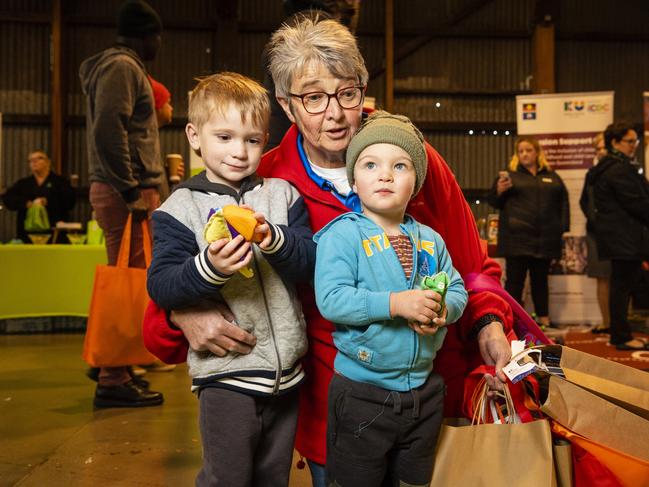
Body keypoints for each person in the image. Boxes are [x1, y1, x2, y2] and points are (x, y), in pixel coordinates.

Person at [143, 14, 514, 486]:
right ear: (286, 104)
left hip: (429, 399)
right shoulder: (267, 184)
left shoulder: (410, 158)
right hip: (339, 411)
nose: (335, 114)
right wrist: (182, 315)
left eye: (346, 93)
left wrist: (488, 321)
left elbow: (470, 263)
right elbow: (161, 305)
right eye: (313, 98)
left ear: (362, 89)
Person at [147, 72, 315, 486]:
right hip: (226, 376)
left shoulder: (283, 196)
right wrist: (209, 269)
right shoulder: (178, 208)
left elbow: (309, 263)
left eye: (252, 140)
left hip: (287, 375)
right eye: (224, 137)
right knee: (228, 478)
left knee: (273, 478)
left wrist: (273, 239)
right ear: (194, 135)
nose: (239, 152)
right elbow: (162, 283)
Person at [314, 111, 467, 486]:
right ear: (353, 179)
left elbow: (459, 289)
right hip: (362, 392)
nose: (385, 175)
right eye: (370, 164)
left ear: (415, 183)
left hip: (425, 393)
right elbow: (332, 299)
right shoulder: (342, 236)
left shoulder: (431, 240)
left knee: (415, 480)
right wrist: (396, 304)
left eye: (400, 166)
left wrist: (443, 310)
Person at [79, 0, 165, 408]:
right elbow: (108, 130)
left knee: (131, 281)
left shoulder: (116, 67)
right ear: (143, 36)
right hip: (123, 193)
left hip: (122, 191)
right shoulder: (123, 67)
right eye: (156, 37)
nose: (159, 44)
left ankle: (120, 368)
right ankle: (112, 377)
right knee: (127, 283)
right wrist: (132, 191)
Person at [487, 136, 569, 330]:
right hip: (517, 241)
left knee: (540, 282)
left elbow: (563, 204)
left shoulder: (553, 177)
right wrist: (498, 190)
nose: (524, 154)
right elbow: (493, 202)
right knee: (515, 283)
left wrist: (562, 229)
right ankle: (511, 320)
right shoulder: (509, 176)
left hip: (545, 241)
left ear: (537, 153)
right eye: (521, 151)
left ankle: (544, 320)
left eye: (528, 150)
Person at [589, 122, 649, 351]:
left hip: (624, 237)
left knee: (622, 286)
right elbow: (638, 203)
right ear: (615, 143)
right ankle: (621, 337)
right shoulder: (617, 169)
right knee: (621, 287)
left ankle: (621, 334)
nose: (634, 145)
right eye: (630, 141)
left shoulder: (616, 166)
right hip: (624, 238)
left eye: (636, 141)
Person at [3, 150, 75, 243]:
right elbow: (8, 199)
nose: (34, 162)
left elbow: (70, 202)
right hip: (27, 235)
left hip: (55, 234)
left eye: (39, 158)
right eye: (31, 160)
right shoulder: (23, 183)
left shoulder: (61, 182)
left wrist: (47, 201)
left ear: (48, 162)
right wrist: (26, 203)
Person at [579, 132, 611, 333]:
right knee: (603, 278)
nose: (600, 151)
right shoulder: (591, 174)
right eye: (597, 148)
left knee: (620, 280)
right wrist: (597, 221)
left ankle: (619, 323)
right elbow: (584, 202)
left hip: (620, 235)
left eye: (602, 147)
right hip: (597, 234)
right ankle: (606, 322)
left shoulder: (622, 171)